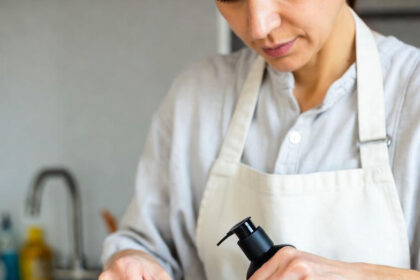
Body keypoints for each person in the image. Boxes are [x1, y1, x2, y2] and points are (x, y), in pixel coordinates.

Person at [99, 0, 420, 278]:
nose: (258, 26)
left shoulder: (412, 94)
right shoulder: (196, 98)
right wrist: (133, 261)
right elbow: (144, 245)